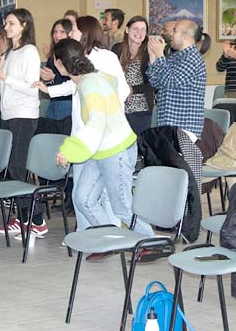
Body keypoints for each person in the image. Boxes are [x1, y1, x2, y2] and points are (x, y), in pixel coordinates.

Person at [38, 15, 130, 237]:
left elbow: (122, 89)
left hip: (105, 138)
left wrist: (106, 110)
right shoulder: (80, 58)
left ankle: (112, 237)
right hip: (83, 135)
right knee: (81, 192)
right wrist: (49, 90)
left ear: (86, 32)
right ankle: (87, 234)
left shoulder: (106, 57)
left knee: (107, 195)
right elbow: (73, 85)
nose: (70, 34)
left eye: (74, 30)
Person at [51, 38, 153, 237]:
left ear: (60, 63)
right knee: (83, 199)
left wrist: (68, 151)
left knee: (122, 209)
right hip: (101, 150)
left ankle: (151, 243)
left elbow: (96, 123)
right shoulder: (89, 79)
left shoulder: (90, 84)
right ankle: (110, 240)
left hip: (116, 150)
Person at [0, 8, 47, 240]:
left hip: (24, 115)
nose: (6, 27)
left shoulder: (29, 51)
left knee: (18, 167)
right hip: (8, 113)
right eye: (6, 23)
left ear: (24, 25)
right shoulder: (10, 52)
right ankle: (24, 218)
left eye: (11, 23)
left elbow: (31, 89)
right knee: (12, 168)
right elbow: (4, 89)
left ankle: (37, 220)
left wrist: (5, 77)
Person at [147, 20, 208, 137]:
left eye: (175, 31)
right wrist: (153, 57)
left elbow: (171, 81)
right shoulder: (175, 56)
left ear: (185, 37)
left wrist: (160, 54)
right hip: (167, 123)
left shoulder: (193, 58)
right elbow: (156, 83)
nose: (171, 34)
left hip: (184, 127)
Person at [112, 16, 155, 135]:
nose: (139, 33)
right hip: (118, 108)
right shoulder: (117, 49)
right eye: (135, 28)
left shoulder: (149, 52)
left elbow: (154, 83)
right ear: (127, 30)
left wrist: (132, 89)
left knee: (139, 144)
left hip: (141, 109)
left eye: (143, 29)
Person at [40, 18, 73, 121]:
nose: (57, 35)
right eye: (55, 32)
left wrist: (54, 77)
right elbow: (50, 83)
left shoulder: (72, 54)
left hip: (67, 100)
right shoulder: (53, 55)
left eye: (62, 32)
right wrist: (46, 77)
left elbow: (74, 80)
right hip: (53, 100)